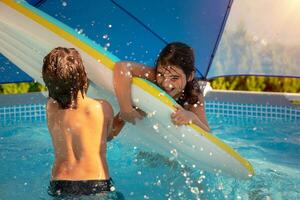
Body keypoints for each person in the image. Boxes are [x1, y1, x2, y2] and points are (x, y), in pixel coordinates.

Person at [42, 47, 125, 198]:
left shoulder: (50, 108)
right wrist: (125, 114)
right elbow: (109, 135)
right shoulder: (100, 107)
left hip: (60, 183)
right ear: (83, 77)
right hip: (95, 183)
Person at [113, 42, 210, 132]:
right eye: (161, 74)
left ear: (190, 76)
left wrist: (192, 117)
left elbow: (208, 132)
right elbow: (121, 67)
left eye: (174, 78)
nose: (165, 84)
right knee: (137, 105)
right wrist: (125, 107)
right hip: (146, 118)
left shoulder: (193, 95)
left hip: (169, 131)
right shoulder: (152, 75)